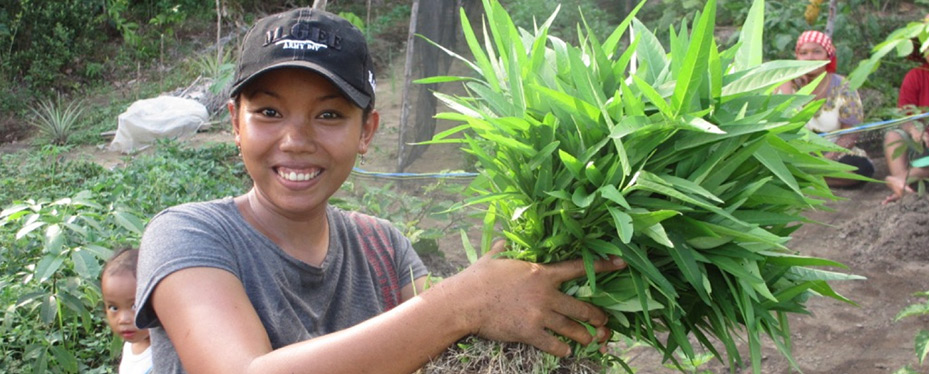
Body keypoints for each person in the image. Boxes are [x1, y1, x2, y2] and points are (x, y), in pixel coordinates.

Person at [134, 7, 627, 374]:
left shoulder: (383, 247)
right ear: (235, 124)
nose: (296, 140)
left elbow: (452, 343)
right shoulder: (188, 235)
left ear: (366, 131)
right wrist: (466, 299)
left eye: (329, 114)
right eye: (268, 112)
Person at [776, 30, 874, 188]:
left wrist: (827, 159)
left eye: (817, 52)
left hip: (834, 153)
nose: (810, 58)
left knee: (862, 169)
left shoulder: (843, 86)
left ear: (828, 56)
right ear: (797, 57)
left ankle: (804, 179)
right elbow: (781, 120)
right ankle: (810, 178)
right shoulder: (788, 84)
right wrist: (788, 78)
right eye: (803, 53)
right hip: (795, 154)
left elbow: (851, 132)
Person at [882, 31, 929, 204]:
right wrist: (914, 128)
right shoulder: (915, 76)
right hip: (920, 142)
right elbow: (903, 116)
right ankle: (902, 188)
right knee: (893, 136)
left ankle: (902, 181)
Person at [102, 247, 152, 374]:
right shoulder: (130, 346)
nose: (123, 319)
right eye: (114, 308)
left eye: (134, 306)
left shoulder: (166, 354)